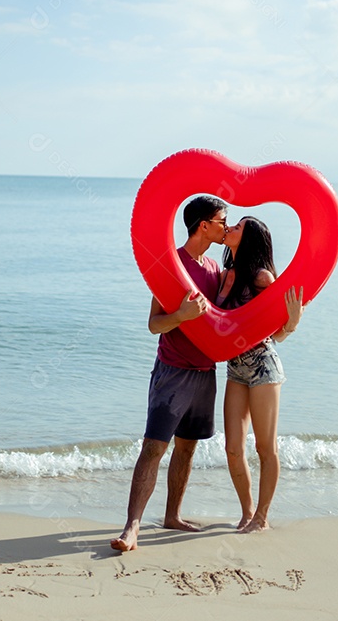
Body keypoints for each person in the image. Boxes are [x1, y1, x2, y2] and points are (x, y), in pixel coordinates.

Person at [111, 195, 229, 552]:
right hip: (173, 372)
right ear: (204, 225)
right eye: (223, 220)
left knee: (187, 448)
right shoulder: (171, 263)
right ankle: (131, 528)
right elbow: (153, 324)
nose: (227, 226)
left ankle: (172, 515)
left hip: (205, 372)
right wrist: (181, 315)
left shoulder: (215, 270)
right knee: (153, 448)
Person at [217, 216, 304, 533]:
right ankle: (247, 511)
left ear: (249, 239)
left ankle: (262, 518)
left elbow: (276, 333)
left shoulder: (263, 278)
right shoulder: (224, 275)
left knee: (265, 448)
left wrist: (292, 324)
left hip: (263, 367)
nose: (230, 229)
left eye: (237, 227)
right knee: (233, 448)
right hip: (235, 368)